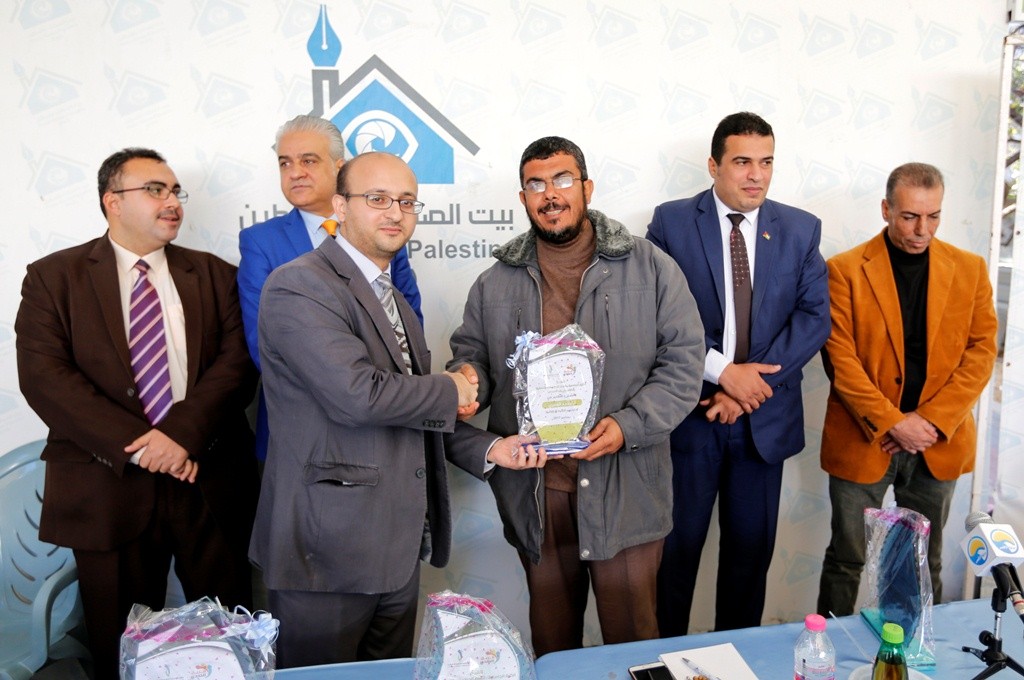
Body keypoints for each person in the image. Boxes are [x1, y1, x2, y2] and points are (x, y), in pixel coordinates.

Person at [248, 151, 538, 667]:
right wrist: (452, 387)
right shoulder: (299, 284)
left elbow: (406, 411)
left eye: (406, 201)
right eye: (377, 198)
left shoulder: (393, 297)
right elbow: (358, 395)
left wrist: (490, 448)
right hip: (327, 550)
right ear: (340, 206)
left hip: (397, 547)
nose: (395, 212)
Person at [447, 136, 705, 655]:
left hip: (626, 488)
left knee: (633, 645)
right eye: (536, 184)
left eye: (562, 180)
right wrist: (466, 378)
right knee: (553, 645)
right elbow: (474, 359)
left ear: (587, 187)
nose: (551, 194)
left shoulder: (651, 267)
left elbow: (683, 365)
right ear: (523, 198)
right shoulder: (494, 283)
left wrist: (628, 426)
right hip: (538, 492)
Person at [15, 148, 259, 678]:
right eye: (155, 190)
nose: (172, 202)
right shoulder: (54, 277)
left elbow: (238, 365)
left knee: (233, 642)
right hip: (106, 485)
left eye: (175, 191)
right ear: (113, 201)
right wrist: (145, 448)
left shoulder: (217, 275)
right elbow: (45, 378)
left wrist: (180, 437)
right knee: (119, 648)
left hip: (208, 480)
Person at [646, 112, 831, 634]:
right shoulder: (671, 223)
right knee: (674, 559)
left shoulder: (800, 229)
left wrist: (750, 386)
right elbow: (655, 314)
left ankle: (739, 659)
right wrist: (724, 372)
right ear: (714, 165)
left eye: (766, 162)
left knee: (749, 561)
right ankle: (661, 659)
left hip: (762, 425)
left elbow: (813, 319)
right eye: (743, 162)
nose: (756, 175)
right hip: (691, 419)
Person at [816, 162, 998, 615]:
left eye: (933, 216)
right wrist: (894, 423)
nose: (923, 230)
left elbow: (981, 352)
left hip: (938, 441)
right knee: (846, 560)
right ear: (886, 209)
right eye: (910, 217)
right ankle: (828, 648)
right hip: (864, 438)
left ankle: (912, 647)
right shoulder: (843, 270)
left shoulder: (971, 269)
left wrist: (929, 422)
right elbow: (840, 360)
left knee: (920, 563)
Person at [237, 114, 422, 462]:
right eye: (285, 163)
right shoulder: (260, 241)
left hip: (389, 425)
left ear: (340, 168)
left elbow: (408, 324)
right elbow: (263, 345)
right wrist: (351, 396)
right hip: (306, 437)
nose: (295, 172)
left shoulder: (383, 230)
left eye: (308, 161)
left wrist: (384, 398)